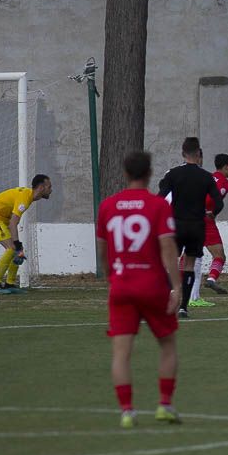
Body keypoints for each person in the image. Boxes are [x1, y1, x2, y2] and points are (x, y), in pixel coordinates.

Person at [95, 151, 183, 428]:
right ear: (149, 174)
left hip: (121, 286)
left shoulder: (108, 205)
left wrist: (111, 276)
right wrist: (176, 287)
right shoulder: (158, 206)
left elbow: (102, 249)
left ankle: (127, 411)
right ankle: (164, 405)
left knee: (121, 353)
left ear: (125, 173)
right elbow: (167, 248)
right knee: (167, 344)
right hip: (152, 285)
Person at [158, 137, 222, 318]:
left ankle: (168, 293)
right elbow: (218, 203)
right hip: (196, 226)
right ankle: (183, 307)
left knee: (167, 262)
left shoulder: (173, 174)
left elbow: (161, 197)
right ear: (198, 155)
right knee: (189, 265)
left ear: (183, 153)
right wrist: (212, 213)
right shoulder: (206, 177)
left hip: (176, 224)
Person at [0, 174, 52, 294]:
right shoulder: (24, 199)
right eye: (49, 187)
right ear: (41, 188)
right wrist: (17, 245)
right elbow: (13, 224)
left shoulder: (28, 197)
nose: (51, 190)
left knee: (17, 250)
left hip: (2, 219)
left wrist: (18, 247)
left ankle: (10, 284)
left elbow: (13, 222)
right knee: (12, 249)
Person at [202, 153, 228, 295]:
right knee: (219, 256)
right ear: (226, 166)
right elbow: (211, 199)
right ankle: (211, 278)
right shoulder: (224, 183)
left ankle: (176, 284)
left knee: (188, 255)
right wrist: (211, 212)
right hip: (205, 221)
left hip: (189, 218)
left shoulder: (206, 177)